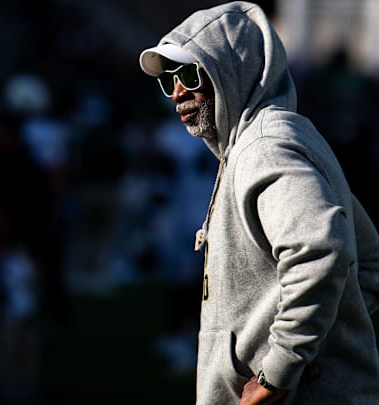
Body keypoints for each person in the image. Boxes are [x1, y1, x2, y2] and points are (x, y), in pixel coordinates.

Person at [138, 2, 379, 404]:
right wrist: (320, 341)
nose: (177, 91)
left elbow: (322, 250)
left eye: (189, 74)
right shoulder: (277, 138)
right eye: (168, 79)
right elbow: (369, 261)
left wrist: (279, 371)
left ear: (233, 69)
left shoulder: (265, 148)